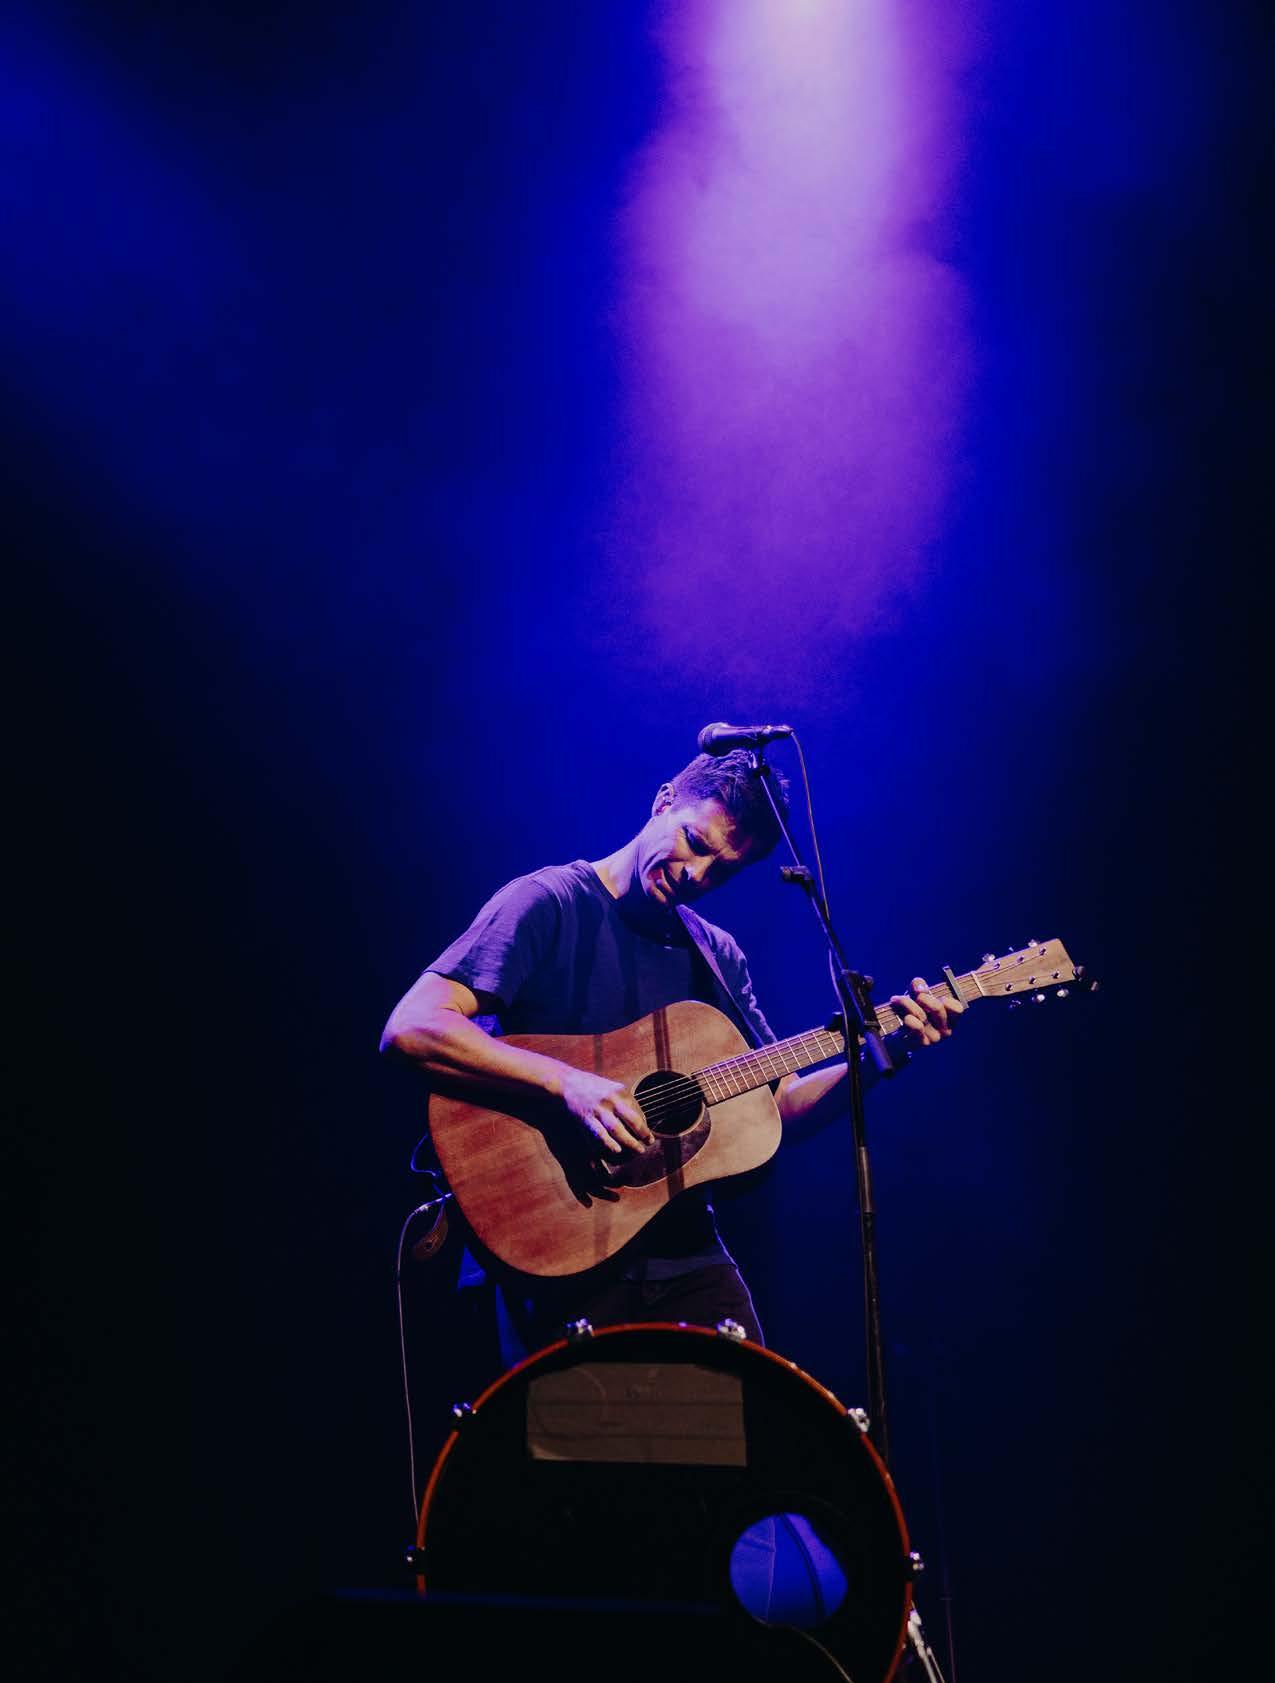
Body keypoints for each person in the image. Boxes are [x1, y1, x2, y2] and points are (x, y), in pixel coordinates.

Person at [380, 749, 962, 1377]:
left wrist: (883, 1055)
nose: (697, 874)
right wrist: (569, 1084)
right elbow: (413, 1027)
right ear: (663, 801)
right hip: (552, 1231)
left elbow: (780, 1107)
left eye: (723, 870)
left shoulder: (717, 954)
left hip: (682, 1250)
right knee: (573, 1438)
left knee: (751, 1421)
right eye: (695, 842)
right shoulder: (548, 902)